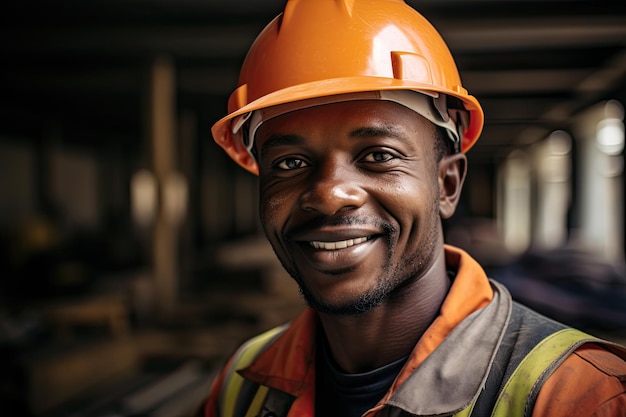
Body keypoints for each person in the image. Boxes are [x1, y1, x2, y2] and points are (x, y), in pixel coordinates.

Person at [199, 1, 626, 416]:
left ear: (447, 184)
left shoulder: (580, 395)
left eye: (379, 155)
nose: (329, 195)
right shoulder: (245, 381)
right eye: (290, 163)